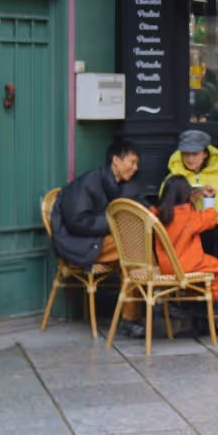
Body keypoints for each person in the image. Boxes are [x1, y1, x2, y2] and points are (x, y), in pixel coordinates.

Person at [49, 139, 146, 337]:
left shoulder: (124, 185)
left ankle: (130, 317)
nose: (135, 168)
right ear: (116, 160)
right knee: (134, 253)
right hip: (76, 243)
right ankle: (130, 319)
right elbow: (77, 222)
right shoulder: (88, 182)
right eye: (132, 162)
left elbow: (138, 205)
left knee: (135, 258)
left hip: (98, 241)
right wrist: (116, 223)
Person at [153, 175, 218, 339]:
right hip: (187, 265)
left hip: (166, 267)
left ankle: (198, 316)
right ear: (185, 196)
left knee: (196, 280)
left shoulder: (158, 215)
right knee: (217, 267)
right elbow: (210, 219)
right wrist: (209, 199)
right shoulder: (188, 216)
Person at [163, 130, 218, 260]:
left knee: (209, 239)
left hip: (217, 235)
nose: (190, 159)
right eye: (186, 154)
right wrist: (188, 201)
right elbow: (165, 209)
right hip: (183, 237)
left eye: (195, 154)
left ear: (205, 154)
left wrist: (210, 201)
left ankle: (205, 277)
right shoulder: (173, 178)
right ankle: (208, 277)